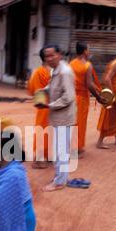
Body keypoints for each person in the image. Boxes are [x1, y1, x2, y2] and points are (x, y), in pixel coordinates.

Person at [40, 45, 77, 192]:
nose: (49, 59)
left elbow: (69, 97)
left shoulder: (65, 72)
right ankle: (60, 177)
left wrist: (49, 105)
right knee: (59, 149)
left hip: (64, 117)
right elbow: (52, 86)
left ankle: (60, 182)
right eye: (46, 56)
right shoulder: (55, 70)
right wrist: (43, 91)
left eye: (51, 55)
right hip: (58, 116)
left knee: (61, 151)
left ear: (59, 55)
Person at [69, 41, 102, 157]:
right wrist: (98, 97)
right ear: (84, 51)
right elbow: (89, 84)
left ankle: (74, 147)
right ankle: (75, 149)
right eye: (88, 49)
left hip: (72, 96)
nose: (90, 51)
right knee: (80, 123)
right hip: (82, 98)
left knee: (72, 123)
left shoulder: (71, 63)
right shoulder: (87, 65)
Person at [28, 48, 51, 169]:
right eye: (50, 56)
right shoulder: (39, 72)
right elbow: (35, 90)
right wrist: (42, 104)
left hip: (52, 105)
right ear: (46, 58)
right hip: (43, 106)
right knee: (42, 132)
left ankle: (47, 155)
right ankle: (37, 160)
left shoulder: (52, 71)